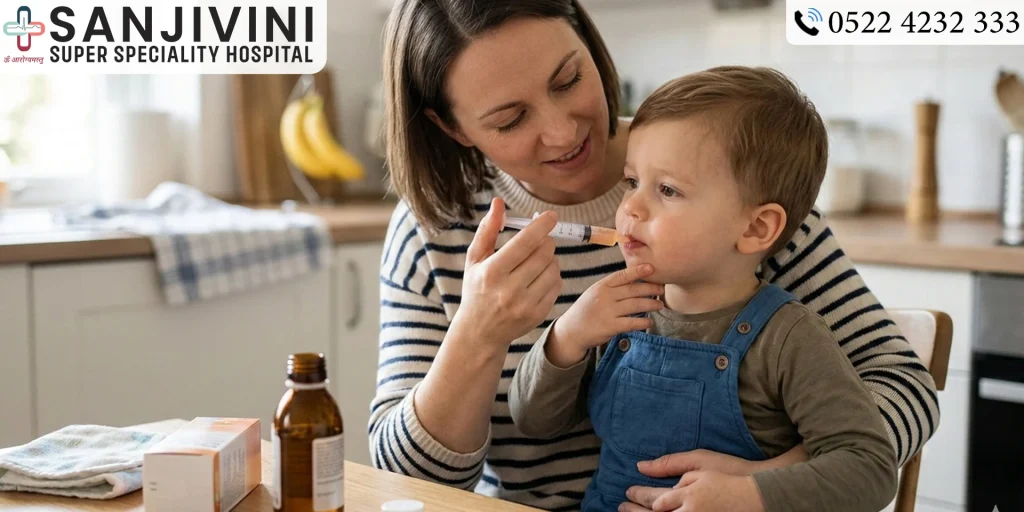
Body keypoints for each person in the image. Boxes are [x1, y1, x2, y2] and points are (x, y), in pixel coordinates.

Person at [371, 1, 938, 510]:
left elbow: (903, 386)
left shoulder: (732, 186)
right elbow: (405, 483)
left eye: (568, 80)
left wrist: (766, 483)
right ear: (452, 127)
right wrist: (478, 334)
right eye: (511, 119)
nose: (563, 130)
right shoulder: (435, 229)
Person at [507, 66, 898, 512]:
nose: (630, 206)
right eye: (633, 181)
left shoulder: (790, 338)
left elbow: (870, 467)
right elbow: (533, 421)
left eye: (668, 190)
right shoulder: (616, 311)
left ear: (755, 227)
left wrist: (748, 496)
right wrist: (566, 338)